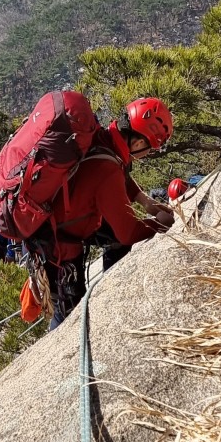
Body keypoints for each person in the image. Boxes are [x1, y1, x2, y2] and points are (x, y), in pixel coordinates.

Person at [36, 97, 175, 327]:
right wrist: (159, 224)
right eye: (149, 149)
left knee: (114, 241)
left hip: (60, 226)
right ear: (139, 143)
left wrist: (145, 202)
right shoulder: (107, 168)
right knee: (67, 314)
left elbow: (119, 172)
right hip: (58, 245)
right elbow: (128, 233)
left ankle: (112, 289)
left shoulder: (104, 138)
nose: (147, 154)